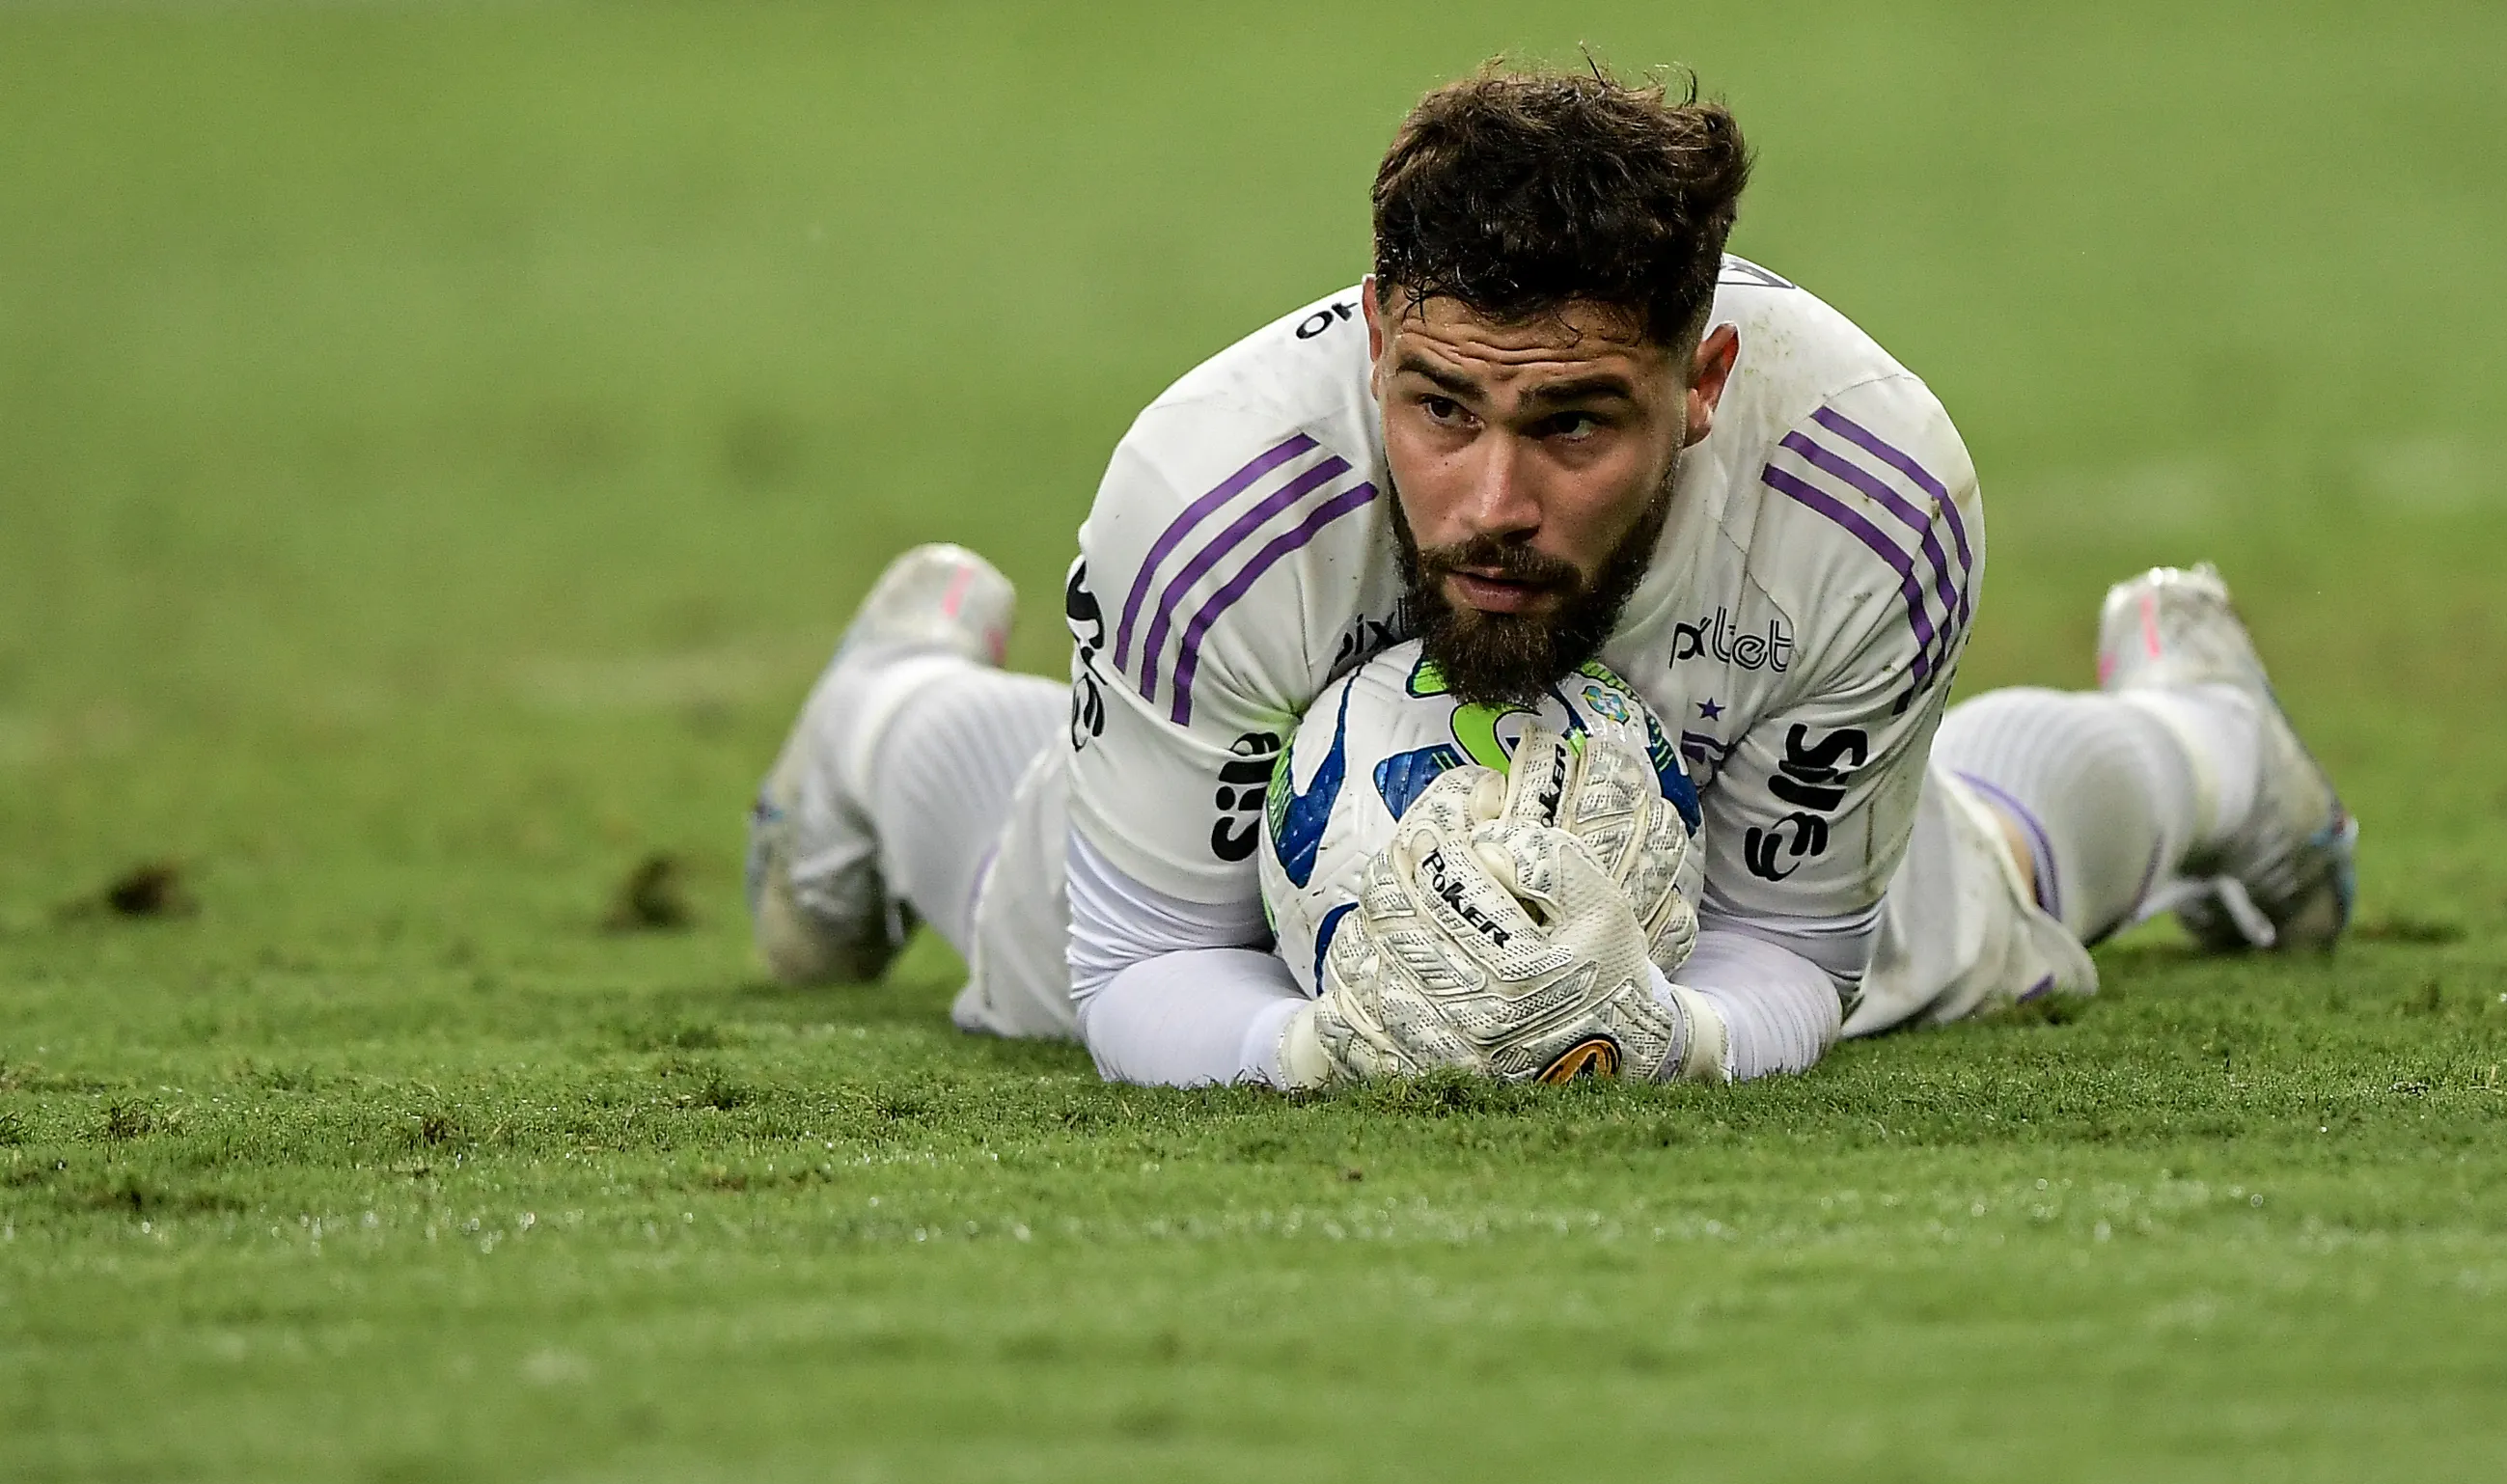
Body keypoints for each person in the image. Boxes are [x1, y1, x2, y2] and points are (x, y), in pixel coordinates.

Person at [744, 65, 2355, 1086]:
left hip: (1704, 878)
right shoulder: (1209, 501)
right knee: (1018, 913)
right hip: (1242, 913)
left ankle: (2213, 740)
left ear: (1702, 380)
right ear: (1377, 342)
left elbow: (1795, 953)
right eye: (1441, 407)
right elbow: (1145, 966)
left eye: (1574, 420)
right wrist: (1332, 1044)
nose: (1494, 502)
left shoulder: (1868, 497)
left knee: (1979, 885)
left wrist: (1672, 1035)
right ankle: (883, 708)